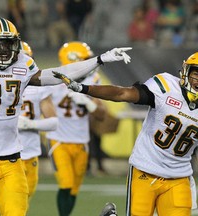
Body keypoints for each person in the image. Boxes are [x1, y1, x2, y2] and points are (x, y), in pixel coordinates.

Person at [0, 17, 131, 216]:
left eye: (9, 43)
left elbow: (59, 74)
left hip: (11, 161)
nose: (4, 49)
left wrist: (100, 59)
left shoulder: (23, 66)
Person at [54, 52, 198, 216]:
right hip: (146, 169)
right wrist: (84, 88)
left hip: (179, 177)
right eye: (196, 74)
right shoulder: (166, 86)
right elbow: (123, 93)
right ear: (186, 72)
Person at [46, 41, 107, 216]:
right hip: (58, 139)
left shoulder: (93, 80)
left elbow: (102, 115)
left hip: (81, 141)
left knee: (74, 189)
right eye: (85, 60)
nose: (90, 64)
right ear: (72, 60)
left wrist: (89, 103)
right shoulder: (52, 79)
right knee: (65, 184)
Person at [18, 41, 58, 205]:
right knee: (13, 203)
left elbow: (53, 122)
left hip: (30, 153)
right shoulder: (0, 83)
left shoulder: (39, 87)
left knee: (24, 203)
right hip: (6, 154)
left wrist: (29, 125)